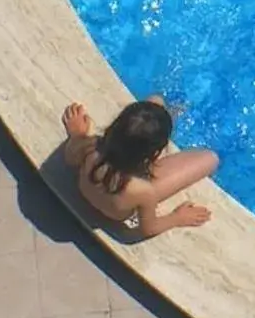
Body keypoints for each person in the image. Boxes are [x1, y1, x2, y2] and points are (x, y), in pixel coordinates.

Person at [59, 97, 219, 238]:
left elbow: (69, 157)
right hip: (125, 193)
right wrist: (177, 217)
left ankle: (164, 120)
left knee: (155, 102)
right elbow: (149, 228)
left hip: (111, 177)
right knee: (211, 158)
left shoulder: (91, 146)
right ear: (154, 155)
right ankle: (173, 115)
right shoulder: (143, 191)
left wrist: (77, 134)